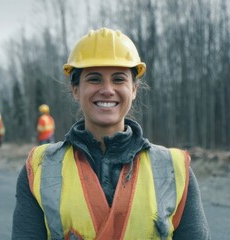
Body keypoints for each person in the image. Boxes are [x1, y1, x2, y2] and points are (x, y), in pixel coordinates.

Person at [12, 28, 210, 239]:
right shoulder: (41, 168)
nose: (107, 89)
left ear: (134, 89)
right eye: (95, 79)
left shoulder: (175, 169)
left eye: (118, 79)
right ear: (76, 89)